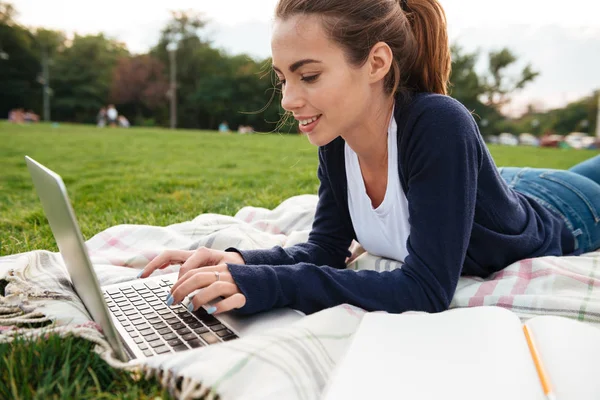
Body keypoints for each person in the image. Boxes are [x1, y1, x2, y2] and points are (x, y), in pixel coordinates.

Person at [138, 0, 600, 317]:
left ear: (377, 63)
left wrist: (274, 286)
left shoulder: (439, 123)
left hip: (568, 209)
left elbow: (426, 290)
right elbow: (323, 251)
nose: (289, 99)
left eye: (310, 75)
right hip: (496, 185)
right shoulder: (337, 139)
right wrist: (238, 262)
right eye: (282, 79)